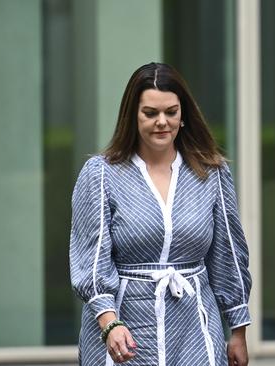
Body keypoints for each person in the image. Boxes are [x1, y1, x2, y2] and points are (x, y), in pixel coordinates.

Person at [70, 62, 251, 366]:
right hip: (123, 327)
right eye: (150, 113)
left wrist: (239, 330)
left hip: (194, 325)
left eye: (171, 112)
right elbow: (91, 259)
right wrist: (109, 323)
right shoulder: (101, 174)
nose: (162, 122)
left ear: (184, 116)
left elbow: (228, 253)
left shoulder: (212, 173)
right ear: (133, 116)